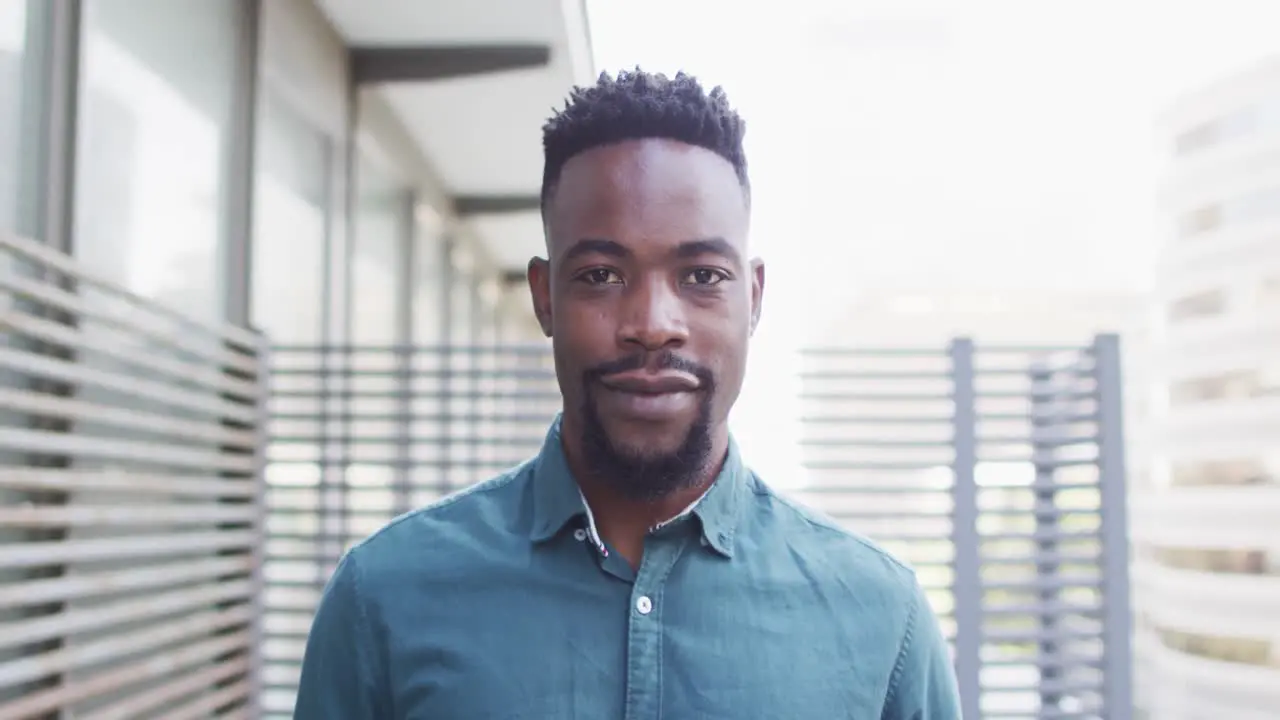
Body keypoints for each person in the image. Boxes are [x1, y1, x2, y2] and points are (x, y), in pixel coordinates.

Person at [294, 68, 961, 719]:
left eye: (701, 274)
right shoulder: (383, 598)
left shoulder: (882, 622)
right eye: (603, 275)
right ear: (544, 296)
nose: (652, 325)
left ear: (752, 299)